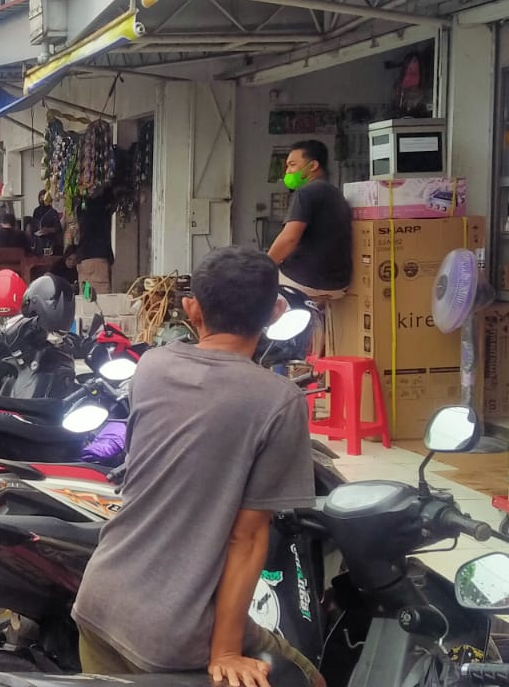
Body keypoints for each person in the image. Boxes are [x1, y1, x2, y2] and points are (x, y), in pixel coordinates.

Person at [73, 246, 320, 687]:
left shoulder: (152, 365)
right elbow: (247, 538)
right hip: (173, 634)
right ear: (274, 313)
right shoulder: (279, 402)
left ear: (192, 309)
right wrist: (225, 651)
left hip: (100, 603)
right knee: (308, 680)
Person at [268, 139, 352, 303]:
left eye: (292, 165)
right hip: (338, 284)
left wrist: (264, 265)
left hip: (304, 280)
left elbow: (289, 238)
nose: (288, 172)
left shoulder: (306, 192)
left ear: (313, 166)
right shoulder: (335, 193)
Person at [76, 195, 115, 295]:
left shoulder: (81, 208)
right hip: (97, 258)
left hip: (82, 259)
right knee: (101, 299)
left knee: (86, 298)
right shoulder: (100, 208)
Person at [32, 190, 64, 256]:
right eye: (40, 199)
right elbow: (34, 226)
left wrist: (48, 230)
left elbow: (58, 228)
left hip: (51, 239)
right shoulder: (36, 211)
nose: (42, 201)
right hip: (38, 239)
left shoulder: (52, 212)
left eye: (44, 199)